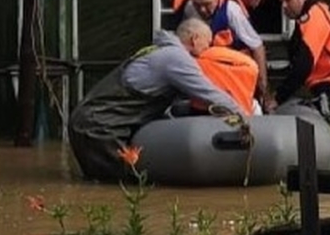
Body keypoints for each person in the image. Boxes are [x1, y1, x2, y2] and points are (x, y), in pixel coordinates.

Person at [68, 17, 247, 181]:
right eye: (207, 45)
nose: (207, 52)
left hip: (88, 123)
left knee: (102, 185)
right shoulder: (176, 58)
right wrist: (245, 116)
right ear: (195, 39)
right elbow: (209, 93)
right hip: (99, 129)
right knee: (126, 188)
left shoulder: (156, 51)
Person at [171, 0, 269, 100]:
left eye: (207, 4)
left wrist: (263, 88)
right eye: (198, 5)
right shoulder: (189, 8)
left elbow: (257, 46)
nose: (202, 10)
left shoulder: (231, 10)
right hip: (204, 74)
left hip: (232, 71)